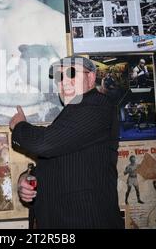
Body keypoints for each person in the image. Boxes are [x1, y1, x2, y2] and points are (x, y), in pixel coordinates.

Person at [11, 56, 123, 229]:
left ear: (91, 77)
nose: (64, 82)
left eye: (72, 73)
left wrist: (19, 126)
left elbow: (44, 144)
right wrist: (26, 179)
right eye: (59, 77)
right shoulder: (70, 117)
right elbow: (58, 162)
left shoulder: (98, 105)